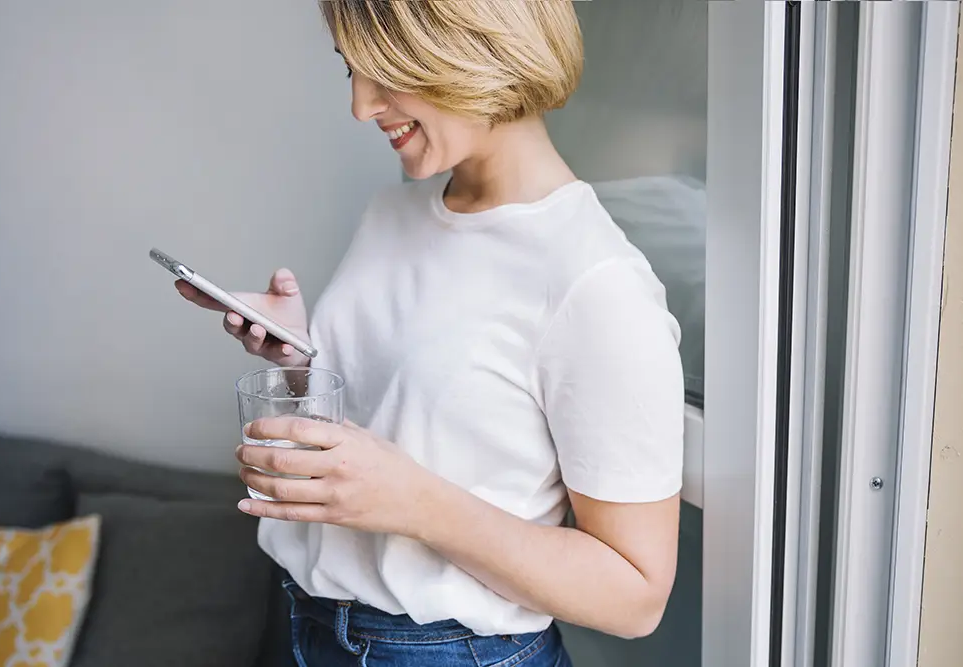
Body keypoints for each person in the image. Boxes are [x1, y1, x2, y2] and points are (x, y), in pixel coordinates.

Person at [177, 2, 685, 665]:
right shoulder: (395, 211)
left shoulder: (596, 285)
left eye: (385, 69)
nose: (361, 105)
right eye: (351, 70)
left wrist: (415, 502)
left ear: (477, 43)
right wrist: (303, 360)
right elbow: (423, 421)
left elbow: (635, 597)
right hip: (307, 621)